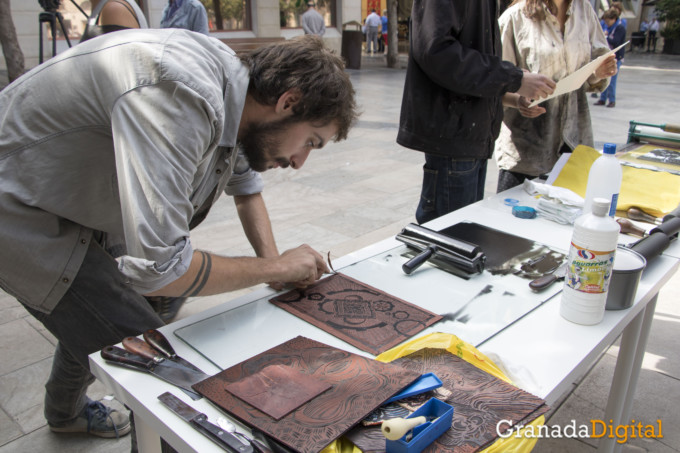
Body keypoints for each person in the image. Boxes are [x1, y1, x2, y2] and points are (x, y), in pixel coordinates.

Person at [0, 32, 357, 440]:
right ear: (289, 102)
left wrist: (276, 268)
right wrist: (272, 266)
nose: (299, 161)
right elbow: (163, 269)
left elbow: (246, 187)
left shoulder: (242, 94)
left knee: (121, 307)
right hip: (19, 206)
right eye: (310, 141)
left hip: (70, 188)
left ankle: (65, 414)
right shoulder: (180, 95)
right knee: (162, 374)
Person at [397, 0, 556, 224]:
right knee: (450, 238)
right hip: (454, 132)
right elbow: (435, 51)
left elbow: (472, 63)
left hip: (473, 134)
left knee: (462, 234)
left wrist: (511, 96)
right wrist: (513, 78)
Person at [493, 0, 616, 191]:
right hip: (527, 152)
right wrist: (519, 100)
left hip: (574, 142)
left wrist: (599, 73)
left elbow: (598, 60)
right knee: (515, 218)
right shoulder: (514, 18)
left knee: (568, 216)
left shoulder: (584, 12)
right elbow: (493, 82)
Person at [595, 8, 626, 108]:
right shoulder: (607, 27)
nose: (607, 23)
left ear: (614, 19)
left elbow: (616, 42)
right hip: (606, 55)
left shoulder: (620, 28)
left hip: (616, 57)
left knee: (612, 80)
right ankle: (602, 99)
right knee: (603, 78)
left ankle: (612, 100)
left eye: (608, 21)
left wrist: (606, 37)